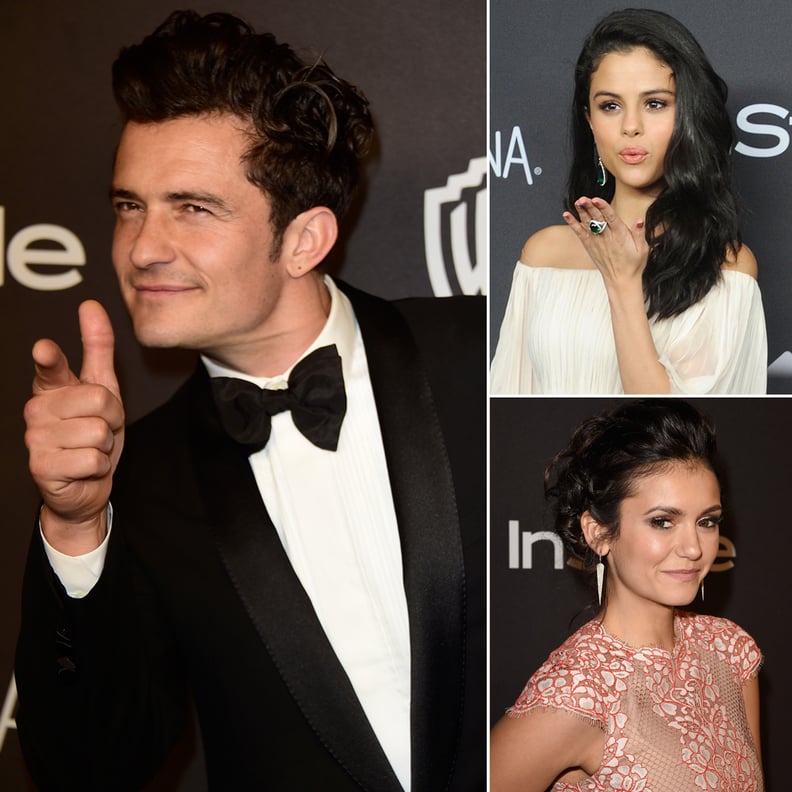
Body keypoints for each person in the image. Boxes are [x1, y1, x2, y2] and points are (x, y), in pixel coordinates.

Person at [16, 11, 484, 791]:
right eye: (130, 205)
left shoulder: (479, 354)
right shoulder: (137, 474)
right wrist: (73, 525)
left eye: (192, 208)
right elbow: (88, 767)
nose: (142, 248)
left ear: (304, 239)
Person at [490, 399, 763, 791]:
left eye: (707, 521)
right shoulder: (577, 692)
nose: (693, 547)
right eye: (663, 522)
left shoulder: (731, 650)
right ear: (599, 533)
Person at [490, 8, 767, 394]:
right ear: (589, 120)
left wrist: (622, 282)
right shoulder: (544, 254)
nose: (630, 126)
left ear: (687, 113)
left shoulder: (726, 267)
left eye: (655, 103)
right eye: (610, 106)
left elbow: (671, 418)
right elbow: (509, 394)